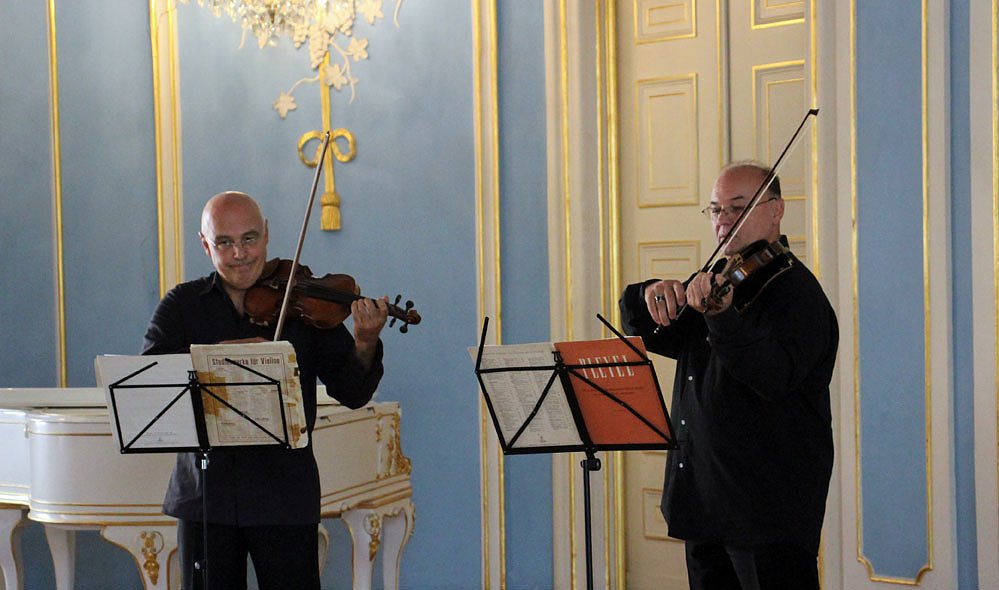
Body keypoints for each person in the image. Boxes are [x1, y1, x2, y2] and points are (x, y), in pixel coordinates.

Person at [142, 191, 388, 590]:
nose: (239, 253)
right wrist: (220, 355)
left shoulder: (302, 302)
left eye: (249, 239)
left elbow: (352, 392)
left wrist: (364, 341)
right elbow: (152, 380)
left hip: (284, 495)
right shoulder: (182, 305)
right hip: (206, 497)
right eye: (224, 242)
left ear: (267, 234)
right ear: (205, 244)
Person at [619, 162, 838, 590]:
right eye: (716, 209)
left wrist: (721, 318)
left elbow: (772, 377)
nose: (724, 220)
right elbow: (656, 333)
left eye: (738, 207)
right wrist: (647, 295)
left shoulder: (797, 294)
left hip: (767, 511)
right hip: (704, 501)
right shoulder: (718, 279)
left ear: (776, 210)